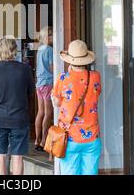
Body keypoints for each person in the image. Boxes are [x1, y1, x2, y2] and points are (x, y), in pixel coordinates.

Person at [0, 37, 34, 175]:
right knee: (18, 157)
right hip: (19, 118)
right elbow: (30, 92)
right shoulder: (25, 69)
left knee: (0, 157)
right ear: (14, 50)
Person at [52, 40, 102, 175]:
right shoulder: (95, 77)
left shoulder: (63, 78)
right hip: (92, 137)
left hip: (69, 137)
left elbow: (57, 102)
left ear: (70, 60)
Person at [34, 26, 54, 151]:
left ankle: (36, 139)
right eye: (52, 36)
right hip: (48, 83)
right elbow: (52, 68)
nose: (53, 38)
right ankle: (43, 140)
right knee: (48, 113)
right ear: (48, 37)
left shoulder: (39, 50)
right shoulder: (50, 50)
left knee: (40, 112)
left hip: (39, 84)